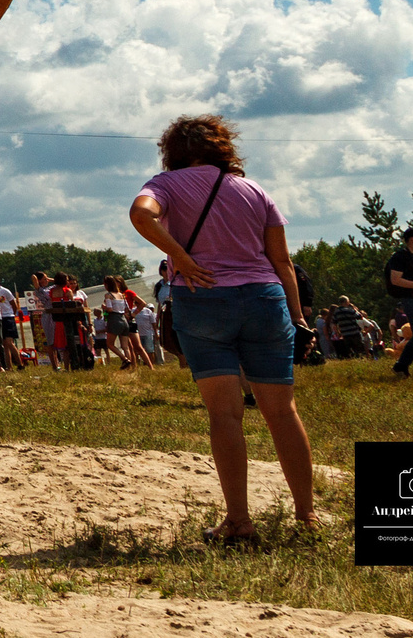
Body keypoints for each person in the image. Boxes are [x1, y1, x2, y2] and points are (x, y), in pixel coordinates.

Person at [129, 114, 317, 544]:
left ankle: (239, 520)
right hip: (265, 298)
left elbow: (141, 215)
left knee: (225, 414)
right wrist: (298, 316)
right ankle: (307, 515)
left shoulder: (165, 184)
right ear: (222, 147)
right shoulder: (254, 190)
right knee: (282, 411)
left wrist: (181, 256)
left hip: (205, 297)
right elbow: (283, 262)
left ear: (173, 150)